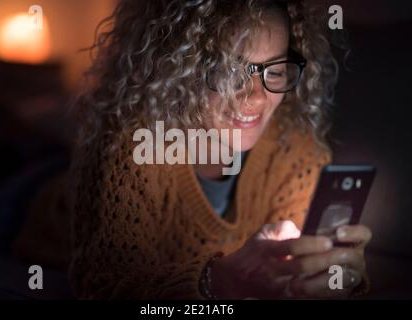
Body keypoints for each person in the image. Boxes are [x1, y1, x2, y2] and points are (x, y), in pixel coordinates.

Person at [69, 0, 372, 299]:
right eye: (229, 71)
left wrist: (330, 279)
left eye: (276, 70)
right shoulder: (133, 147)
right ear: (177, 68)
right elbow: (102, 285)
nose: (255, 97)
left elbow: (292, 278)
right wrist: (216, 282)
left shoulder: (297, 153)